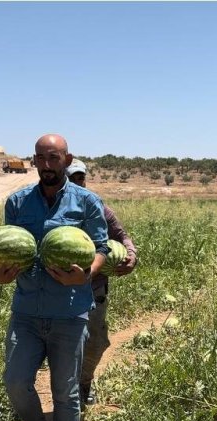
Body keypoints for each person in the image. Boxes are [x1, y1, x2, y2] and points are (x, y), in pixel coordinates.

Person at [0, 134, 108, 421]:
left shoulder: (87, 202)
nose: (47, 164)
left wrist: (86, 273)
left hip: (70, 311)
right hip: (25, 310)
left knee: (66, 393)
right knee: (15, 381)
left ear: (67, 159)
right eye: (41, 158)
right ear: (35, 161)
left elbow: (100, 248)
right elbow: (6, 248)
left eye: (54, 157)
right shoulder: (17, 201)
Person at [64, 160, 138, 407]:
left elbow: (122, 236)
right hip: (63, 291)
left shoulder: (101, 210)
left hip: (95, 289)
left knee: (95, 343)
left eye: (80, 178)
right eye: (72, 178)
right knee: (66, 345)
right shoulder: (58, 212)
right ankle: (66, 392)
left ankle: (85, 382)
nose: (77, 183)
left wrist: (131, 255)